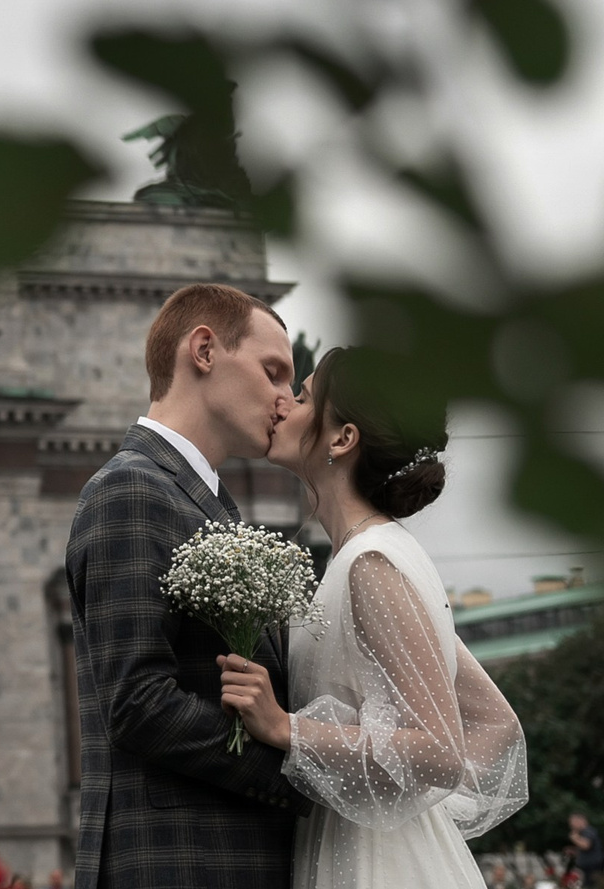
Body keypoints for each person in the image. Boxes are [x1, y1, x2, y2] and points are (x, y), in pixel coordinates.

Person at [217, 345, 530, 887]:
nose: (285, 404)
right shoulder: (371, 557)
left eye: (305, 396)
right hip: (369, 842)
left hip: (377, 863)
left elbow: (441, 752)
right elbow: (493, 723)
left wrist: (286, 727)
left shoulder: (373, 566)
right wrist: (397, 796)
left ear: (343, 439)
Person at [64, 283, 310, 888]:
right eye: (273, 371)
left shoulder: (201, 500)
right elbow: (138, 701)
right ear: (203, 350)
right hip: (176, 862)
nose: (284, 400)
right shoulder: (131, 488)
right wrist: (297, 773)